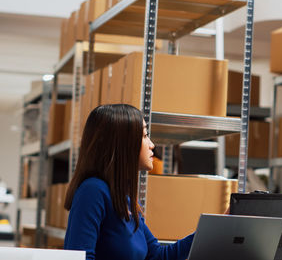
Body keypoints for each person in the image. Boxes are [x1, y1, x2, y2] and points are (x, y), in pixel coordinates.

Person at [63, 104, 193, 260]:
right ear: (123, 143)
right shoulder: (92, 191)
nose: (152, 145)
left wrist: (211, 231)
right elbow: (80, 257)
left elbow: (158, 256)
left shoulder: (125, 199)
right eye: (145, 136)